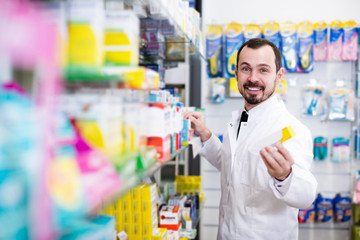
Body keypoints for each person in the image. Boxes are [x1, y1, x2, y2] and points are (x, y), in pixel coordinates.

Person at [184, 38, 317, 240]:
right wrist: (205, 134)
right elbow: (232, 164)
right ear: (236, 73)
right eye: (246, 69)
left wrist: (286, 176)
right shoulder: (239, 119)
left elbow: (306, 195)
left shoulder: (291, 130)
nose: (253, 78)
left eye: (263, 70)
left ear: (278, 75)